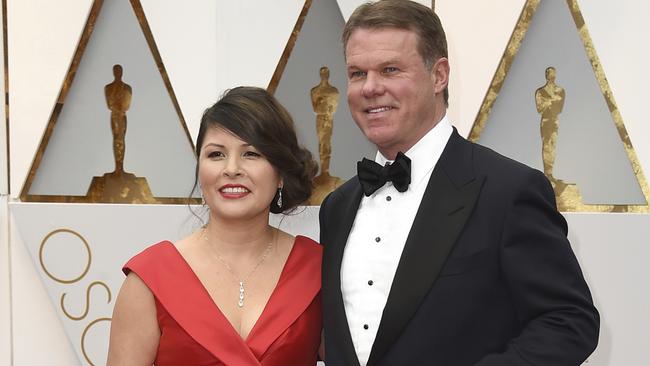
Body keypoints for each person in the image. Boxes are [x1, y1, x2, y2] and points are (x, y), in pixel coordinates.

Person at [318, 1, 599, 365]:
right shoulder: (337, 207)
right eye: (357, 73)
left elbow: (569, 321)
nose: (370, 88)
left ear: (439, 76)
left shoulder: (508, 191)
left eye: (390, 69)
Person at [107, 87, 321, 365]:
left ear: (280, 173)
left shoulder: (316, 270)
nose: (231, 169)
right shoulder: (150, 279)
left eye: (252, 154)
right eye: (216, 154)